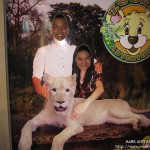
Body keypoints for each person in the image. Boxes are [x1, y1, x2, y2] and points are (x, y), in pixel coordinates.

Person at [32, 12, 102, 99]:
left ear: (68, 30)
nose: (60, 30)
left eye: (63, 27)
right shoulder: (42, 51)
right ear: (51, 30)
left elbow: (95, 63)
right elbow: (36, 77)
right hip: (53, 99)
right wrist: (41, 90)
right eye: (56, 27)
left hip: (74, 98)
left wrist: (97, 64)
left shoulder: (75, 49)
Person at [71, 44, 104, 119]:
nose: (83, 62)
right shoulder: (72, 74)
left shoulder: (95, 71)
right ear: (75, 60)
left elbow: (100, 89)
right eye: (80, 59)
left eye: (87, 58)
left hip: (96, 112)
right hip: (78, 114)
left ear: (91, 59)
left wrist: (85, 104)